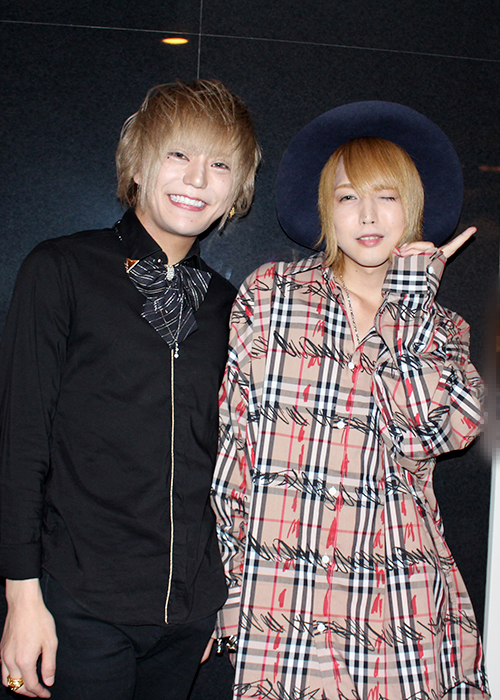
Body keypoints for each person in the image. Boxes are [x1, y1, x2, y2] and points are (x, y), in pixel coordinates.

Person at [212, 102, 489, 699]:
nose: (367, 215)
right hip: (285, 596)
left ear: (411, 206)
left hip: (402, 599)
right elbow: (234, 451)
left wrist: (409, 306)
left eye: (386, 196)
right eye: (347, 197)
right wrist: (232, 585)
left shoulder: (443, 328)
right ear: (325, 209)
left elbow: (431, 435)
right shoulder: (271, 295)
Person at [0, 78, 261, 699]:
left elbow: (232, 459)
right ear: (138, 165)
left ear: (236, 192)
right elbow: (20, 443)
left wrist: (216, 599)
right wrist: (21, 598)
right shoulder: (61, 269)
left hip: (188, 617)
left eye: (220, 164)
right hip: (78, 605)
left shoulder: (233, 307)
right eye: (179, 153)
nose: (197, 178)